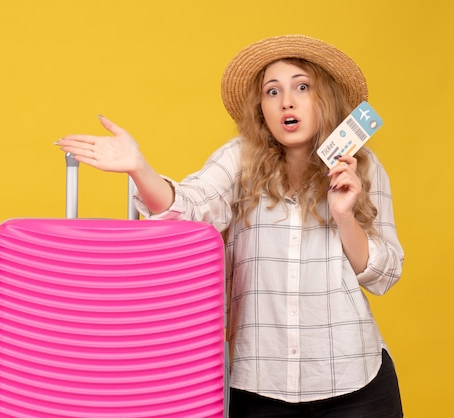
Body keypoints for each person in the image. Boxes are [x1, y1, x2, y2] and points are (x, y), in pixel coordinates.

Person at [56, 34, 404, 417]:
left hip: (355, 382)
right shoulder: (240, 159)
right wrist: (140, 169)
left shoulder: (365, 168)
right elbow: (188, 211)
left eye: (302, 86)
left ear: (326, 99)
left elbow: (383, 274)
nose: (286, 101)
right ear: (261, 109)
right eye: (272, 92)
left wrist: (343, 215)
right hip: (256, 385)